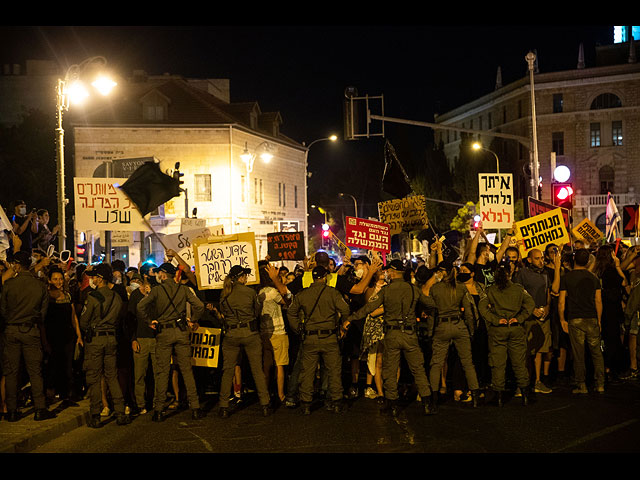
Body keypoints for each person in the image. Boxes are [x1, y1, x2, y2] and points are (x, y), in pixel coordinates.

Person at [346, 260, 436, 417]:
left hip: (392, 333)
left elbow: (369, 308)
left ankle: (392, 403)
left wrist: (351, 318)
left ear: (393, 272)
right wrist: (423, 312)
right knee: (418, 369)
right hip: (409, 334)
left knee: (390, 369)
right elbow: (430, 303)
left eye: (388, 271)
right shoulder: (413, 289)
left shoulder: (386, 290)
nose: (386, 273)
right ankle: (427, 403)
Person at [137, 262, 205, 421]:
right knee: (187, 370)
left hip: (164, 332)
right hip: (181, 331)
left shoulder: (157, 291)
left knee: (162, 371)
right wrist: (193, 320)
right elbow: (200, 306)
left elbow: (141, 307)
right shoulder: (183, 290)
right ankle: (195, 407)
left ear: (162, 274)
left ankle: (159, 410)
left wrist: (149, 321)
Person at [287, 266, 351, 415]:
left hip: (310, 338)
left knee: (307, 371)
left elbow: (291, 312)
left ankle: (306, 403)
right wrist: (343, 326)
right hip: (329, 337)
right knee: (334, 370)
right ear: (325, 277)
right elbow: (345, 309)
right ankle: (336, 402)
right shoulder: (332, 293)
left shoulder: (303, 294)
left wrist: (298, 328)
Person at [1, 251, 56, 422]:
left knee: (11, 372)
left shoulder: (9, 285)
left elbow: (2, 310)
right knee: (35, 371)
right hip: (31, 330)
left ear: (17, 265)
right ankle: (40, 409)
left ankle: (11, 410)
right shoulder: (39, 285)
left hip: (11, 330)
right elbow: (43, 314)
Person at [425, 261, 481, 411]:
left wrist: (431, 332)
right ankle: (475, 395)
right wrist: (471, 330)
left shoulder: (435, 289)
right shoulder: (461, 287)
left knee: (436, 363)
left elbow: (432, 314)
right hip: (458, 324)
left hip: (442, 326)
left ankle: (434, 398)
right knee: (467, 363)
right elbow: (468, 312)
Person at [217, 265, 271, 418]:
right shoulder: (249, 292)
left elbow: (224, 314)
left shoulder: (224, 293)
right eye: (245, 276)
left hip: (232, 334)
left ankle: (223, 406)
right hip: (249, 333)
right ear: (241, 277)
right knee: (257, 370)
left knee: (227, 371)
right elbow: (256, 312)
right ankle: (265, 403)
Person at [478, 261, 535, 407]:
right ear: (510, 273)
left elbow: (482, 307)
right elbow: (530, 304)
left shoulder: (490, 290)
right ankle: (525, 395)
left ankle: (498, 397)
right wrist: (520, 318)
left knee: (498, 364)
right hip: (515, 328)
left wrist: (495, 320)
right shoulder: (518, 289)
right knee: (519, 364)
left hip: (498, 330)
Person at [80, 263, 130, 427]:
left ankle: (95, 414)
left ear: (100, 279)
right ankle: (121, 411)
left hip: (96, 339)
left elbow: (84, 321)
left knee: (94, 377)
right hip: (111, 338)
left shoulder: (93, 297)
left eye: (94, 277)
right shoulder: (117, 297)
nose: (93, 279)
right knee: (112, 376)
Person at [560, 248, 606, 394]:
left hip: (575, 318)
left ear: (574, 260)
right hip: (591, 317)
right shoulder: (593, 278)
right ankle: (600, 384)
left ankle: (581, 384)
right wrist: (599, 320)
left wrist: (562, 319)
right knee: (596, 353)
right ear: (587, 262)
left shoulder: (567, 278)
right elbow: (598, 301)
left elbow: (562, 302)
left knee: (578, 353)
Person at [512, 248, 553, 394]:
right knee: (525, 351)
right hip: (527, 318)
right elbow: (518, 295)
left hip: (543, 317)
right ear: (529, 260)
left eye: (542, 258)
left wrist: (547, 306)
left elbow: (547, 293)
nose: (541, 261)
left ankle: (537, 382)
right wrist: (531, 309)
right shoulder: (522, 274)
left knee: (540, 351)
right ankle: (521, 384)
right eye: (537, 258)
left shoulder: (545, 274)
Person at [43, 267, 83, 406]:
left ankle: (67, 396)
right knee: (52, 366)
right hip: (52, 336)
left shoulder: (67, 295)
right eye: (55, 279)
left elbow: (73, 317)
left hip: (68, 336)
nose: (58, 282)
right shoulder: (46, 296)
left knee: (68, 366)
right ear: (49, 280)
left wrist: (79, 336)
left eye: (60, 279)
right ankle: (50, 394)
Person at [258, 265, 290, 404]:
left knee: (266, 366)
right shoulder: (272, 292)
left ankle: (265, 395)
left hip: (264, 332)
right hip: (278, 331)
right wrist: (280, 280)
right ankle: (281, 394)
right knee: (279, 365)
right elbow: (287, 300)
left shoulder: (258, 293)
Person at [128, 268, 156, 415]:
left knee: (158, 373)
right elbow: (130, 319)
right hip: (141, 338)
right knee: (140, 374)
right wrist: (133, 339)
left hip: (156, 339)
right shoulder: (135, 296)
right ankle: (140, 404)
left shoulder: (156, 293)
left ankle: (157, 402)